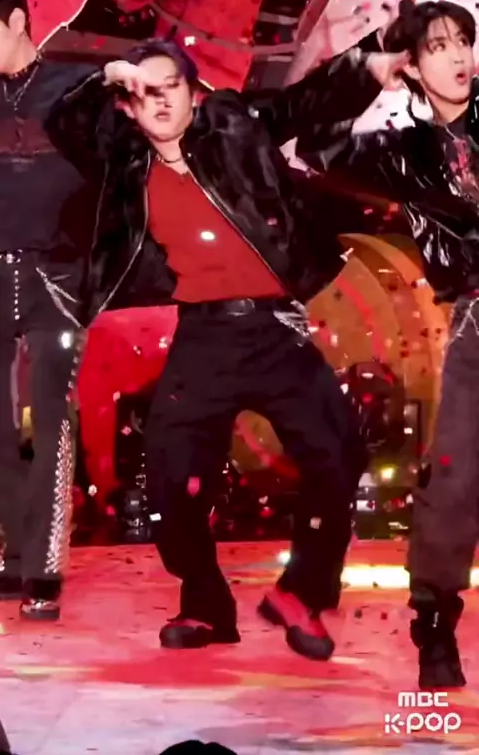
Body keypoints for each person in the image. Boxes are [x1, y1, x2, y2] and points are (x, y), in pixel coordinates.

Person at [46, 32, 406, 658]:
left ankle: (302, 593)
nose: (161, 101)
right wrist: (106, 77)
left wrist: (368, 65)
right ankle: (206, 604)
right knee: (171, 479)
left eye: (171, 87)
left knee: (338, 454)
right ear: (128, 106)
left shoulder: (233, 129)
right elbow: (65, 124)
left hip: (274, 330)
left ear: (194, 94)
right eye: (145, 92)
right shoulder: (125, 164)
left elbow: (298, 104)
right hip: (203, 337)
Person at [299, 0, 479, 687]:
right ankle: (434, 625)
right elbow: (318, 144)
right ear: (413, 66)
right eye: (437, 46)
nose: (457, 56)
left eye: (463, 41)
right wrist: (370, 64)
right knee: (455, 475)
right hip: (476, 319)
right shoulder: (405, 154)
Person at [0, 0, 105, 620]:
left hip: (56, 278)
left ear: (16, 21)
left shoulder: (74, 88)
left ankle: (43, 569)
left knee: (50, 422)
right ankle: (12, 554)